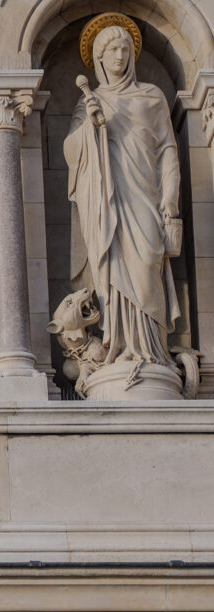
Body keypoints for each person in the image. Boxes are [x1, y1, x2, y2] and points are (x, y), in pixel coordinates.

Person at [64, 19, 181, 368]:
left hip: (145, 192)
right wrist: (91, 126)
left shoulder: (152, 96)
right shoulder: (91, 101)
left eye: (124, 49)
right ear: (99, 58)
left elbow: (167, 150)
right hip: (106, 200)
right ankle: (121, 345)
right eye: (111, 50)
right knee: (112, 270)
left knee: (147, 262)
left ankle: (153, 350)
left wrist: (170, 201)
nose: (119, 55)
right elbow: (71, 152)